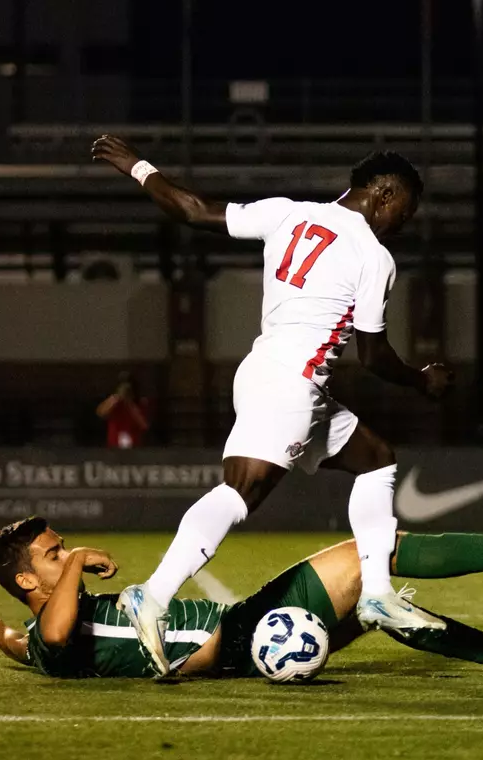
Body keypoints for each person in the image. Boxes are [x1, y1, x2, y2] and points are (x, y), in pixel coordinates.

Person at [91, 133, 455, 674]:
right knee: (241, 492)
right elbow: (374, 356)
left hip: (272, 374)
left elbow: (192, 209)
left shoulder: (287, 213)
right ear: (384, 192)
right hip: (291, 385)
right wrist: (422, 380)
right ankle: (153, 595)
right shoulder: (373, 256)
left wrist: (137, 167)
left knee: (376, 458)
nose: (405, 220)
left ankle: (376, 593)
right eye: (405, 207)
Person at [0, 471, 483, 680]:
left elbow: (27, 644)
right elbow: (59, 633)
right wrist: (75, 562)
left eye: (61, 546)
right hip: (236, 638)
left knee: (372, 599)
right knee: (371, 552)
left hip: (239, 633)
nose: (66, 554)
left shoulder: (32, 643)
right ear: (28, 582)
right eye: (52, 554)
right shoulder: (56, 630)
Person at [96, 371, 151, 449]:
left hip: (134, 447)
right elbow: (101, 413)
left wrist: (129, 403)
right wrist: (117, 398)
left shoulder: (141, 403)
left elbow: (144, 425)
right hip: (114, 445)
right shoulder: (113, 400)